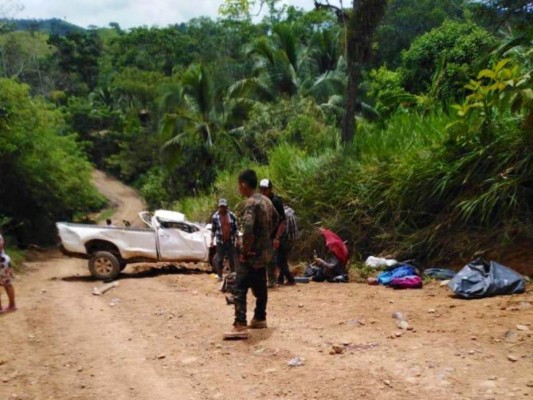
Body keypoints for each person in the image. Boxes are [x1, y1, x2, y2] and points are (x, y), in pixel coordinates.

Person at [224, 169, 278, 340]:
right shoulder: (267, 201)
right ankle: (260, 317)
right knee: (260, 283)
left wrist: (245, 251)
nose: (238, 188)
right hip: (265, 253)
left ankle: (240, 325)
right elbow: (276, 219)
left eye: (239, 185)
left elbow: (248, 229)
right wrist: (266, 238)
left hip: (252, 253)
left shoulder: (251, 203)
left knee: (240, 285)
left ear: (243, 184)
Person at [259, 179, 295, 287]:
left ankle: (289, 279)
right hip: (270, 234)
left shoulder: (275, 201)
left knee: (279, 259)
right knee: (278, 258)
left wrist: (277, 237)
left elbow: (282, 221)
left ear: (270, 189)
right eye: (261, 189)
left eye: (265, 189)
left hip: (279, 235)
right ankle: (280, 279)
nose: (263, 191)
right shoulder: (263, 201)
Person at [211, 198, 239, 280]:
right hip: (220, 241)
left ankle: (233, 275)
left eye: (224, 207)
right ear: (219, 207)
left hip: (230, 240)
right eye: (221, 207)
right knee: (219, 259)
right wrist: (211, 240)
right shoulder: (215, 217)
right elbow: (213, 230)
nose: (222, 208)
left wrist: (238, 240)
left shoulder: (232, 216)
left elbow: (235, 229)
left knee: (231, 259)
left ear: (227, 207)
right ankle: (220, 275)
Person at [0, 234, 16, 313]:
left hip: (1, 260)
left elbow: (0, 244)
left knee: (7, 283)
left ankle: (12, 305)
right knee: (7, 283)